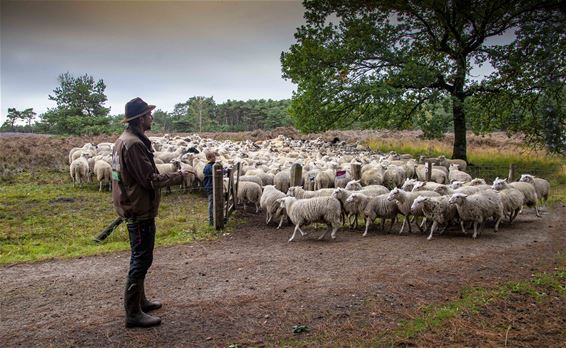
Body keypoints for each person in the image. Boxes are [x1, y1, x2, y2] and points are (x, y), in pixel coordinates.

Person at [111, 97, 194, 328]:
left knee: (141, 257)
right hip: (139, 209)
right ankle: (133, 313)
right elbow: (149, 180)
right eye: (148, 114)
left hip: (133, 205)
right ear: (139, 119)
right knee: (141, 259)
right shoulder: (134, 144)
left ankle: (140, 301)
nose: (152, 117)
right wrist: (180, 176)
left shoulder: (124, 141)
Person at [202, 150, 216, 225]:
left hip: (212, 186)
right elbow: (216, 172)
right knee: (211, 204)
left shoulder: (212, 165)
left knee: (214, 202)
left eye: (214, 156)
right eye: (213, 157)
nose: (215, 158)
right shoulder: (209, 167)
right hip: (210, 187)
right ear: (209, 158)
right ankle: (211, 220)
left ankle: (215, 217)